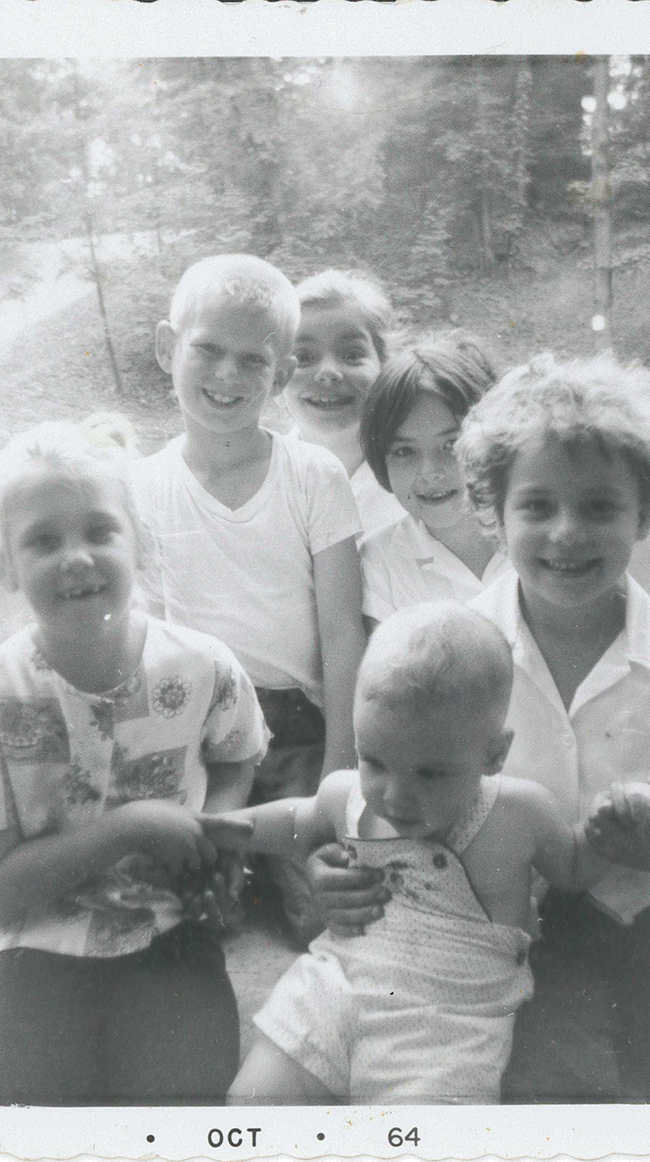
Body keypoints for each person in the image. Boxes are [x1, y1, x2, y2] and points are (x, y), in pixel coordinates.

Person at [309, 352, 650, 1102]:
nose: (566, 533)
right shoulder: (449, 652)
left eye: (601, 507)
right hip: (503, 926)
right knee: (554, 1094)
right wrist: (336, 869)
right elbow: (385, 802)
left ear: (647, 512)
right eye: (537, 507)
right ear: (494, 511)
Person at [202, 601, 650, 1105]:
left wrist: (620, 824)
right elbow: (297, 822)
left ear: (493, 754)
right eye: (375, 761)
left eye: (430, 774)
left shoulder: (518, 814)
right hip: (336, 984)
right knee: (251, 1106)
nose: (395, 795)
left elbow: (575, 866)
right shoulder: (348, 796)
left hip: (450, 1020)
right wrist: (217, 828)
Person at [0, 417, 270, 1105]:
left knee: (182, 1098)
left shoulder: (202, 666)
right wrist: (131, 828)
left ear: (139, 542)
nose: (77, 557)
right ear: (4, 566)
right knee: (16, 1109)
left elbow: (240, 756)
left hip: (170, 927)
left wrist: (216, 839)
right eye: (43, 541)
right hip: (33, 941)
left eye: (98, 531)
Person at [133, 254, 367, 943]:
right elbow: (145, 639)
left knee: (321, 916)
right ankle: (237, 871)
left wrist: (337, 771)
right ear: (166, 348)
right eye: (208, 350)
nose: (228, 376)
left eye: (253, 360)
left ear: (282, 375)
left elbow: (344, 632)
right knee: (195, 914)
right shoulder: (141, 485)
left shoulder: (313, 476)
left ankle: (277, 864)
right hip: (197, 730)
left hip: (297, 727)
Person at [357, 333, 510, 632]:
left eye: (451, 445)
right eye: (404, 451)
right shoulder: (380, 562)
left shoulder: (533, 535)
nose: (430, 471)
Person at [283, 269, 405, 538]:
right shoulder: (260, 481)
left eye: (352, 354)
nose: (328, 372)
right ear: (277, 373)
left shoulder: (415, 479)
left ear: (383, 364)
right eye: (303, 357)